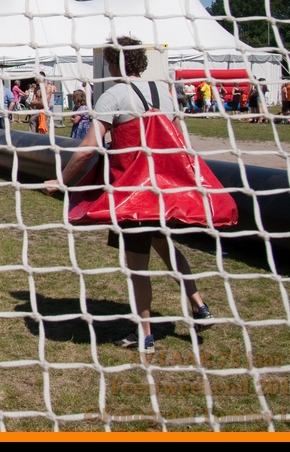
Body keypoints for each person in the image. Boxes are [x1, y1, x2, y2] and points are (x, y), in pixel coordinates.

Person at [43, 36, 218, 354]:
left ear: (113, 63)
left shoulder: (113, 96)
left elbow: (87, 151)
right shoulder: (163, 92)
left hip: (133, 194)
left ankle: (145, 336)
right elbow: (178, 141)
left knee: (137, 266)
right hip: (164, 190)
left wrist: (62, 181)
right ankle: (199, 305)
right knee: (164, 245)